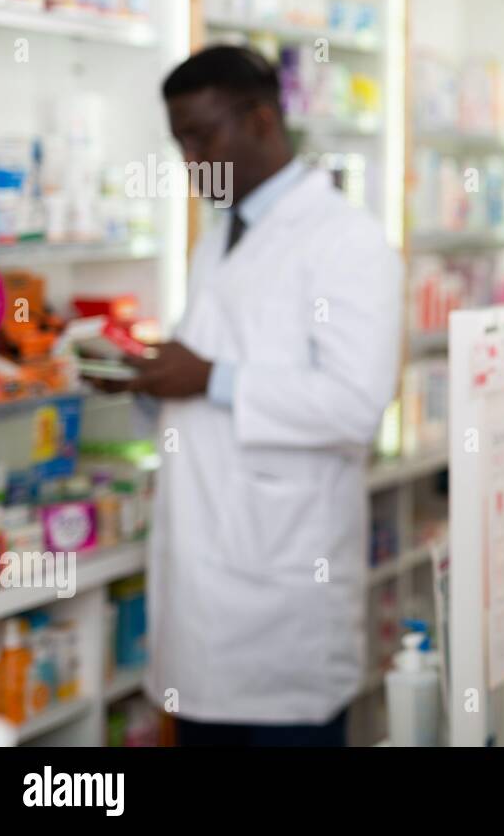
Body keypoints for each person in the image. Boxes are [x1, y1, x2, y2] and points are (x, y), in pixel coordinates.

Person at [97, 45, 404, 745]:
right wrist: (142, 379)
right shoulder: (219, 236)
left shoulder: (346, 240)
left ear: (262, 120)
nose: (189, 158)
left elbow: (357, 405)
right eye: (179, 141)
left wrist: (210, 378)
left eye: (201, 136)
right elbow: (208, 377)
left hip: (283, 613)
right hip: (203, 600)